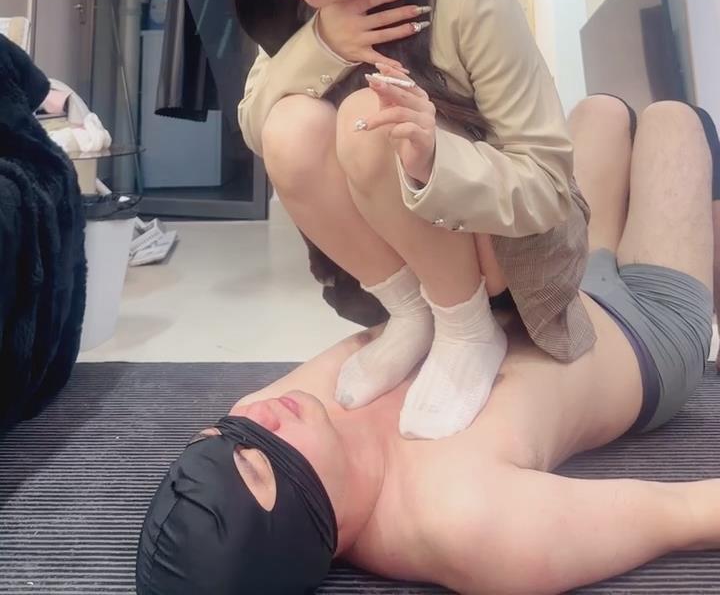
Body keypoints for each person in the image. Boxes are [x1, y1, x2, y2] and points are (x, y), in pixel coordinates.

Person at [137, 95, 718, 595]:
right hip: (646, 331)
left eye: (218, 438)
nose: (258, 416)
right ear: (305, 534)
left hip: (546, 280)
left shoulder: (267, 417)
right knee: (671, 121)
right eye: (253, 462)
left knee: (601, 112)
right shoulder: (461, 522)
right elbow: (683, 513)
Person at [216, 0, 593, 440]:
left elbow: (549, 185)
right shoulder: (298, 2)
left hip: (506, 243)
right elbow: (258, 129)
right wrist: (325, 43)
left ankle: (467, 328)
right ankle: (412, 316)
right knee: (290, 128)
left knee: (369, 117)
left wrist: (434, 157)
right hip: (408, 255)